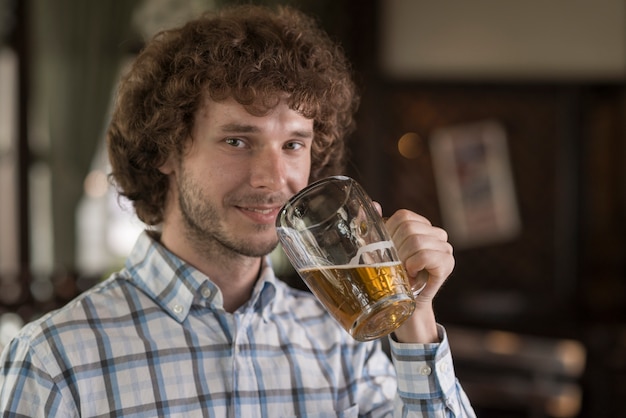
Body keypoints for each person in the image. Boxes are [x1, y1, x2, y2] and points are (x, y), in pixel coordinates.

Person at [0, 4, 475, 417]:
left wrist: (414, 313)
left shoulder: (341, 342)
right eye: (236, 140)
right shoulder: (54, 359)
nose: (273, 178)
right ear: (165, 150)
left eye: (293, 144)